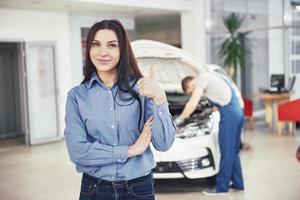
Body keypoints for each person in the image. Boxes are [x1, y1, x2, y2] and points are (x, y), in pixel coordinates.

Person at [64, 19, 176, 200]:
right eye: (96, 44)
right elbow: (77, 151)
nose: (103, 52)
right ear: (89, 49)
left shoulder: (142, 90)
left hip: (139, 188)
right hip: (94, 189)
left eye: (112, 45)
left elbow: (163, 144)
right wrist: (130, 150)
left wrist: (160, 99)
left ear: (122, 50)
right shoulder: (77, 96)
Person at [175, 73, 244, 195]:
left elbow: (192, 104)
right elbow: (221, 97)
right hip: (237, 112)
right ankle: (238, 183)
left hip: (229, 114)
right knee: (233, 151)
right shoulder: (210, 77)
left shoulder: (201, 79)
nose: (192, 93)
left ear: (189, 84)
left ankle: (221, 187)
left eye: (190, 92)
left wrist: (180, 119)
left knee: (227, 151)